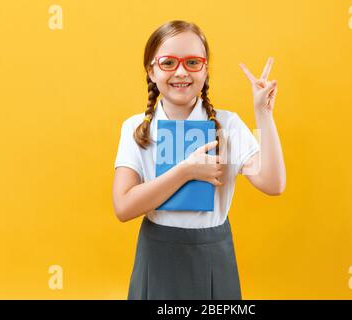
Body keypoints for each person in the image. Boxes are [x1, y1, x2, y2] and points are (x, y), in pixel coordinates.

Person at [112, 20, 286, 300]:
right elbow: (123, 207)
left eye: (193, 62)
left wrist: (263, 114)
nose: (181, 72)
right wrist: (186, 171)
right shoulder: (135, 128)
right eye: (168, 62)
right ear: (151, 70)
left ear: (205, 70)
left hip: (213, 255)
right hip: (157, 257)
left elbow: (274, 184)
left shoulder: (228, 125)